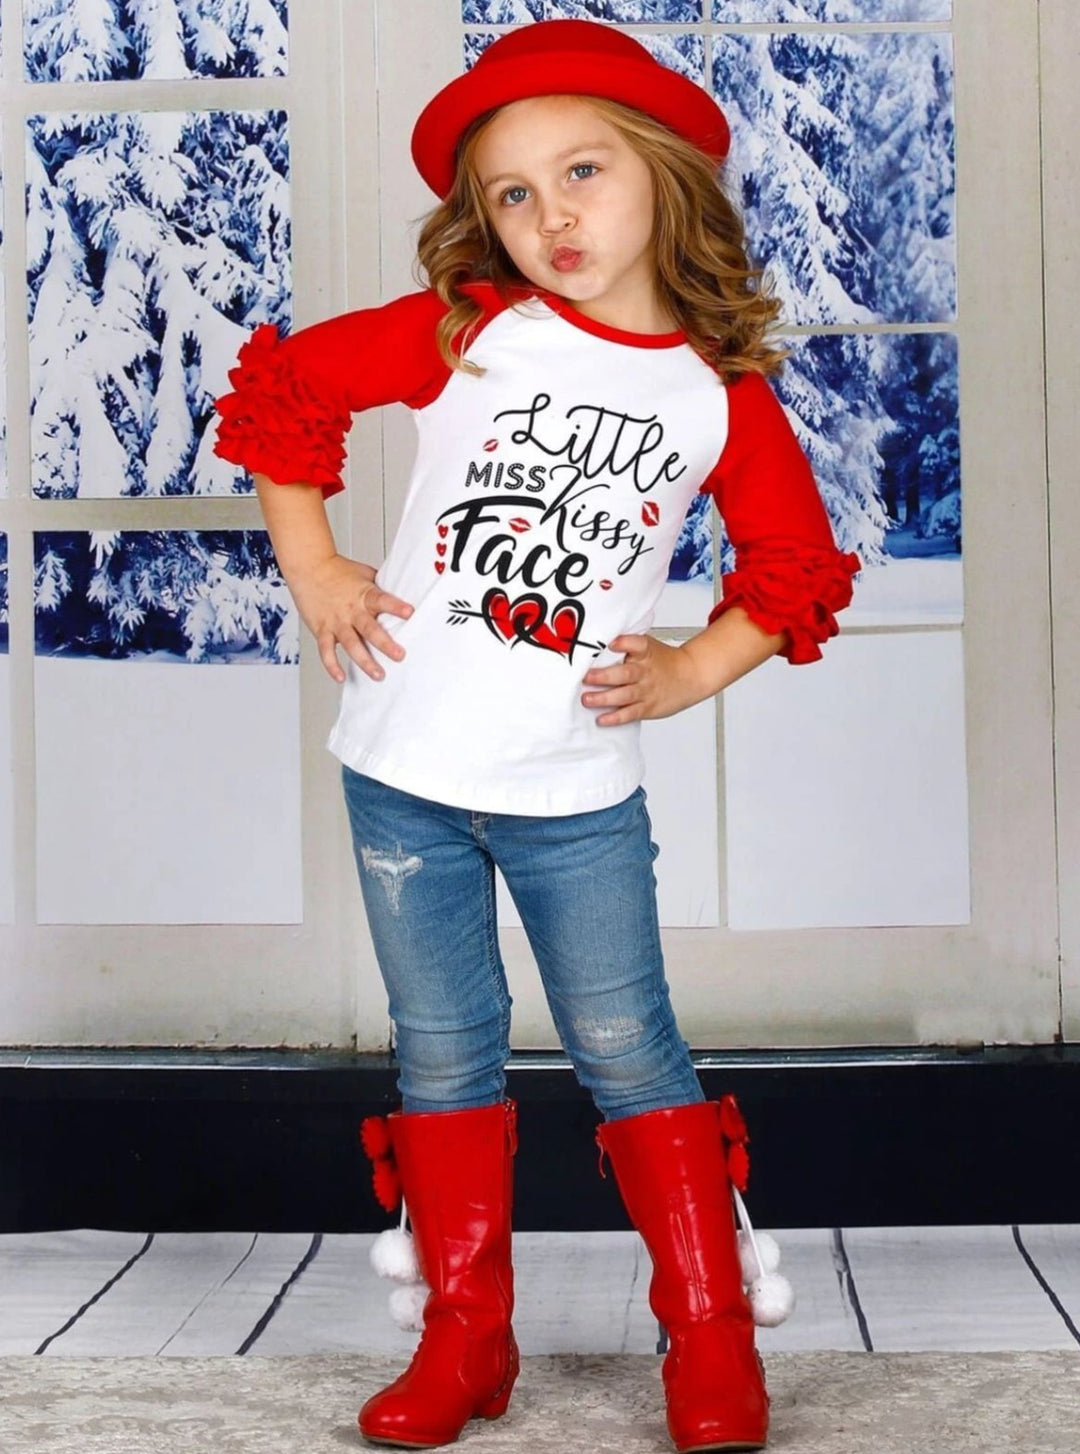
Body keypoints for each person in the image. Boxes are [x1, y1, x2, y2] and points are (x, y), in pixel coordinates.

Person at [212, 19, 861, 1452]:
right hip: (402, 774)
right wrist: (316, 570)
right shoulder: (470, 331)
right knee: (444, 1053)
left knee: (629, 1046)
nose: (550, 214)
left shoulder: (716, 392)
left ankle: (709, 1332)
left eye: (582, 171)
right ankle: (465, 1335)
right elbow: (288, 392)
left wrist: (691, 668)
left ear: (664, 176)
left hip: (573, 793)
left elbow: (794, 568)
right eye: (512, 192)